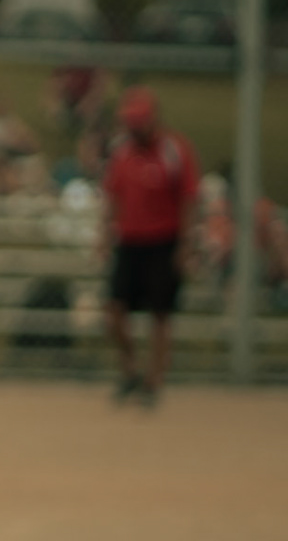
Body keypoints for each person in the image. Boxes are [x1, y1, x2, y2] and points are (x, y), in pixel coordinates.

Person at [97, 85, 198, 408]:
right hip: (129, 240)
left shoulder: (174, 150)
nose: (134, 127)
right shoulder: (121, 151)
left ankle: (154, 381)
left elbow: (188, 199)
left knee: (160, 314)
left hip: (163, 241)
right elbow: (111, 196)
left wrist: (185, 245)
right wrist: (104, 236)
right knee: (114, 311)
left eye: (138, 121)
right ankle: (130, 371)